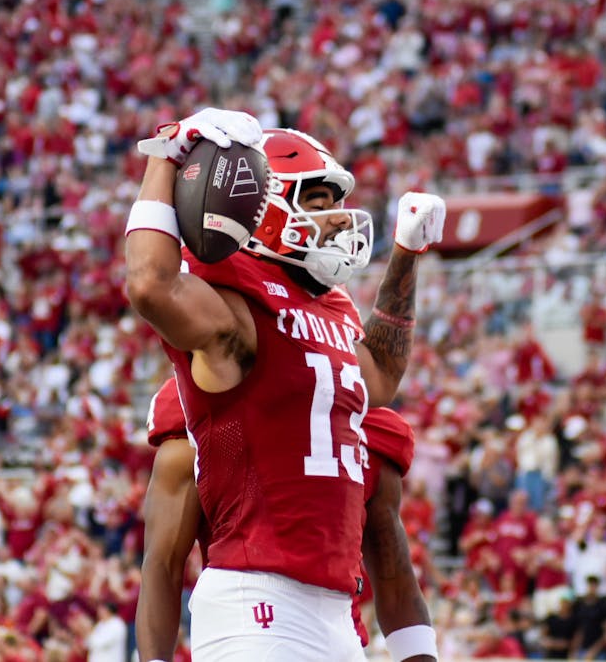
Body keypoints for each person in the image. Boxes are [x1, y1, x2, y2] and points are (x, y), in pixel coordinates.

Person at [126, 107, 444, 660]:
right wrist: (168, 155)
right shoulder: (235, 304)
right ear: (262, 210)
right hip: (255, 601)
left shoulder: (333, 309)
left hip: (336, 612)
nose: (340, 220)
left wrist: (406, 257)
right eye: (316, 203)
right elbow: (151, 287)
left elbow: (381, 379)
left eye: (337, 204)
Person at [135, 378, 436, 662]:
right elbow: (162, 562)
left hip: (343, 626)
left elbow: (395, 579)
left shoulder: (366, 422)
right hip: (249, 610)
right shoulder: (207, 402)